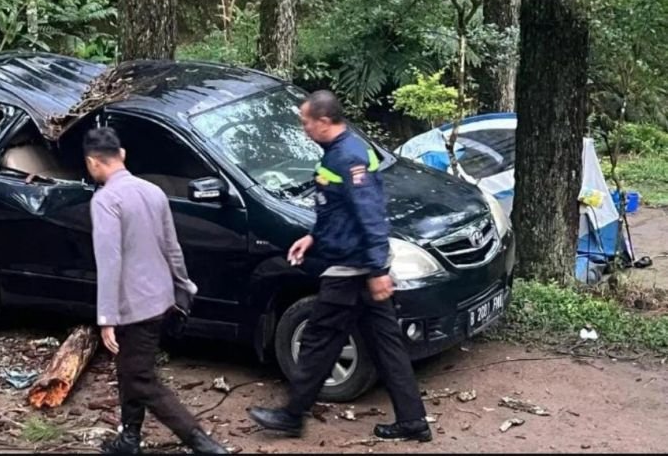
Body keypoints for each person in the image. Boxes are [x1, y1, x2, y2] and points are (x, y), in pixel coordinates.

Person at [247, 91, 431, 442]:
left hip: (353, 270)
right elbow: (338, 211)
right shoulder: (342, 152)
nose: (303, 130)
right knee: (386, 345)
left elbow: (370, 214)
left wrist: (377, 271)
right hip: (359, 264)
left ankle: (291, 416)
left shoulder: (347, 157)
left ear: (324, 121)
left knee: (318, 340)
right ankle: (413, 421)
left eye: (306, 122)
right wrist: (313, 237)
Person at [84, 127, 227, 455]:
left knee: (140, 378)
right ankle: (129, 439)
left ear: (93, 163)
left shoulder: (105, 201)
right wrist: (183, 285)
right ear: (122, 156)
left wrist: (106, 316)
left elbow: (109, 262)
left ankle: (200, 441)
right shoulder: (153, 191)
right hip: (160, 298)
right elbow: (172, 247)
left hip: (133, 306)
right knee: (129, 369)